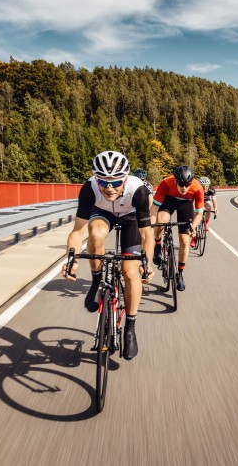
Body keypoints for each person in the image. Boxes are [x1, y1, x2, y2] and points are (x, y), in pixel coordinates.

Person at [62, 151, 154, 361]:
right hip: (103, 213)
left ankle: (130, 328)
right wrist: (71, 260)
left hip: (131, 216)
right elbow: (77, 231)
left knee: (130, 274)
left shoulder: (137, 190)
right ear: (96, 178)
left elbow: (146, 234)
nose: (109, 188)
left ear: (126, 178)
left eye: (116, 182)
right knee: (95, 233)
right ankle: (96, 281)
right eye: (103, 182)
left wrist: (146, 263)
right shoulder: (89, 189)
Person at [150, 165, 204, 292]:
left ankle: (179, 274)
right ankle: (158, 243)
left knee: (185, 241)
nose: (184, 188)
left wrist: (193, 227)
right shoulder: (165, 183)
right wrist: (151, 225)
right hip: (169, 200)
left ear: (191, 182)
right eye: (181, 184)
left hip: (186, 204)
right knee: (161, 221)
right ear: (175, 181)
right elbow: (154, 208)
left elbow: (199, 213)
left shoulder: (197, 189)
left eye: (187, 184)